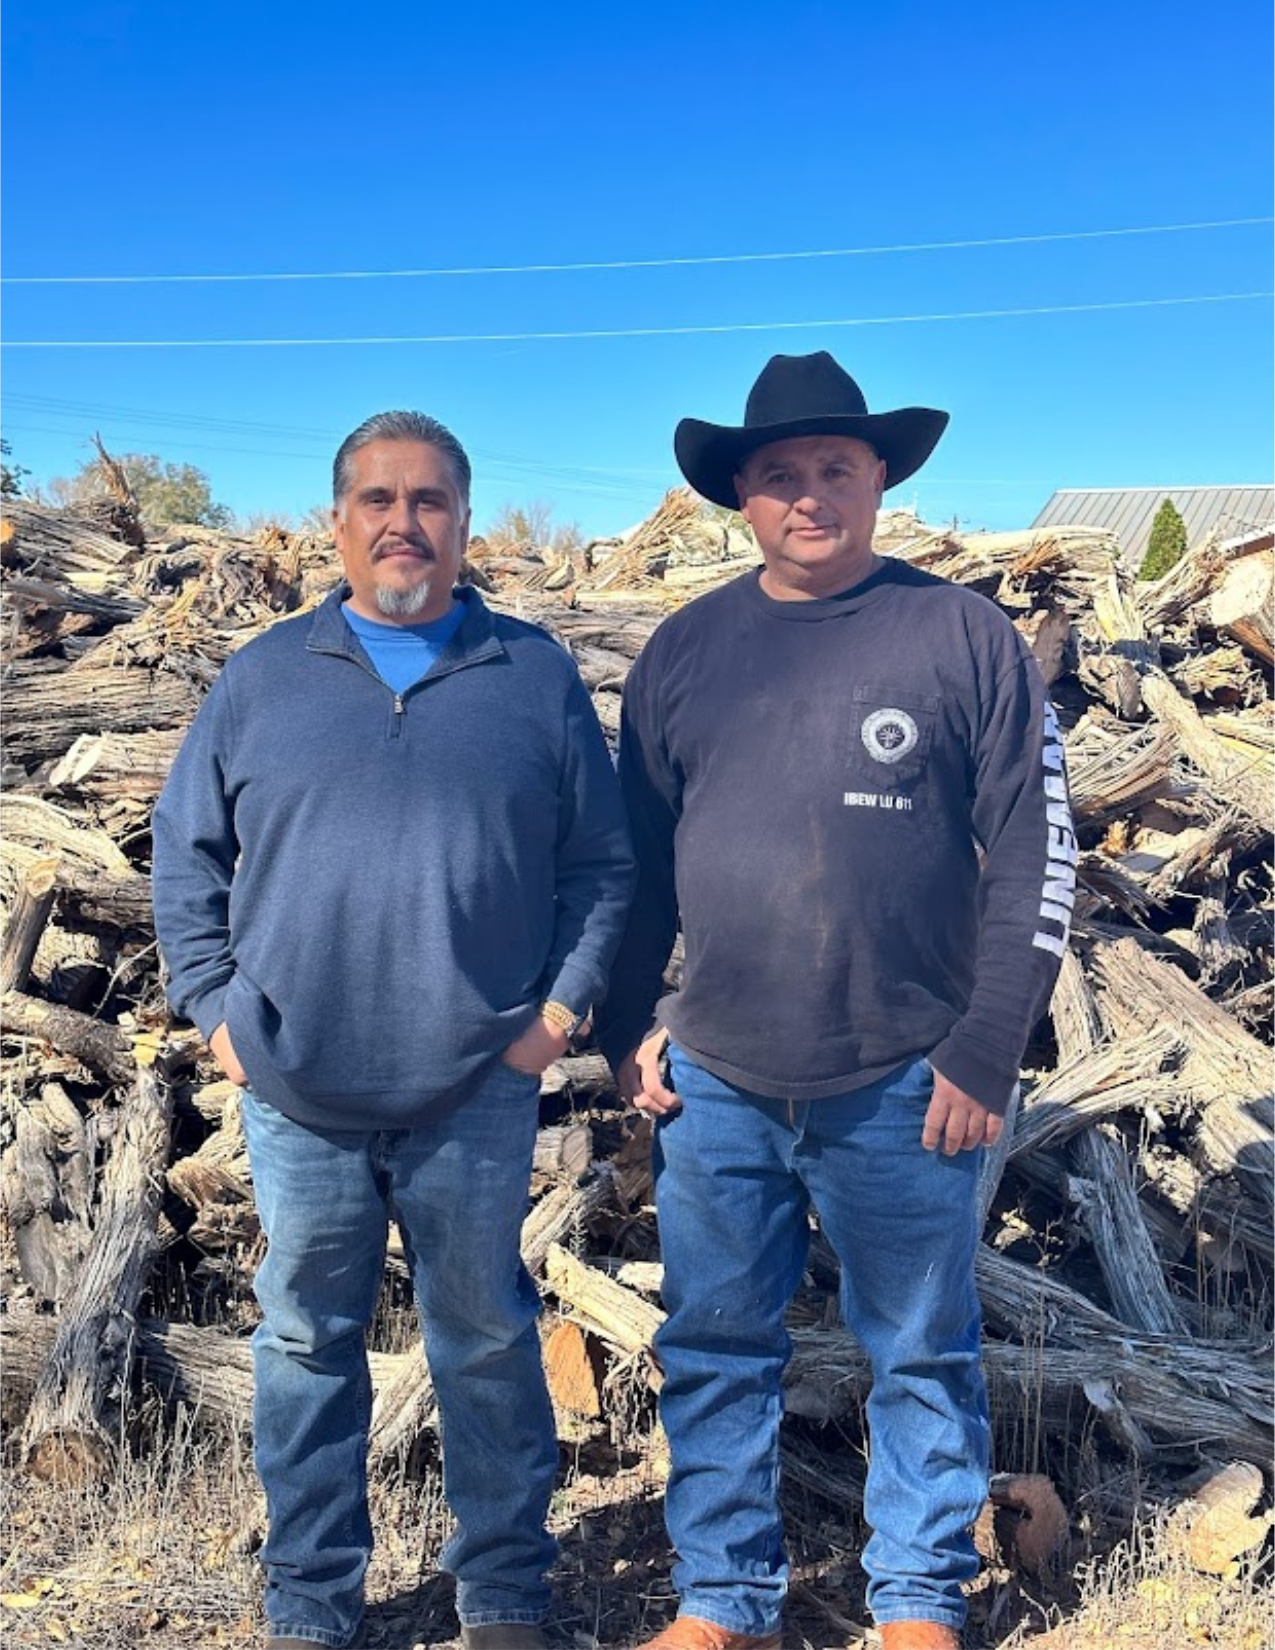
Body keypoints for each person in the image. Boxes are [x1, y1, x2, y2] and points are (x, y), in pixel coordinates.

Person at [595, 352, 1074, 1650]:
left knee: (918, 1345)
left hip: (905, 1073)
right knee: (712, 1344)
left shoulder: (958, 636)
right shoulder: (687, 652)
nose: (807, 493)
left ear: (875, 477)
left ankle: (916, 1599)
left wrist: (982, 1045)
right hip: (719, 1081)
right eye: (778, 473)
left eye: (831, 468)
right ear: (739, 493)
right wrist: (626, 1019)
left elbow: (1034, 847)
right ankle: (722, 1599)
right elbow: (634, 863)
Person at [152, 410, 635, 1650]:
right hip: (296, 1087)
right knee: (307, 1344)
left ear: (467, 524)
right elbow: (183, 853)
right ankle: (312, 1603)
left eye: (428, 500)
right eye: (377, 499)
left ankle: (506, 1597)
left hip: (473, 1086)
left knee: (481, 1340)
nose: (401, 522)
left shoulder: (531, 677)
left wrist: (561, 1011)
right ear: (337, 522)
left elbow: (603, 867)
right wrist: (214, 1011)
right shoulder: (263, 679)